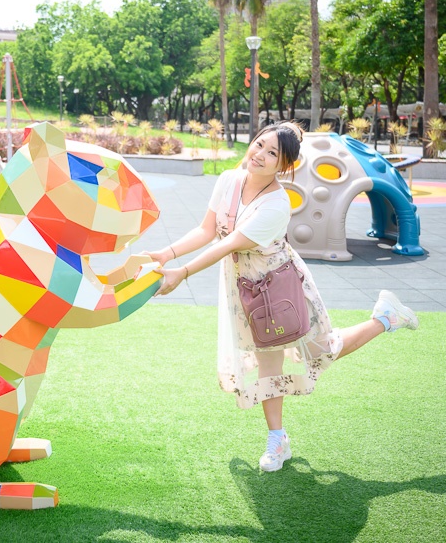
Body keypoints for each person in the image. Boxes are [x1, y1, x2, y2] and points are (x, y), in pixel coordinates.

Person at [146, 121, 418, 472]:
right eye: (259, 144)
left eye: (272, 153)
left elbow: (229, 243)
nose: (259, 154)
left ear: (283, 165)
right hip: (245, 283)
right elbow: (207, 230)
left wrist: (182, 273)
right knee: (269, 362)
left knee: (323, 350)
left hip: (277, 286)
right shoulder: (229, 180)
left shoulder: (276, 204)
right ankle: (278, 439)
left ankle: (385, 319)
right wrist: (166, 255)